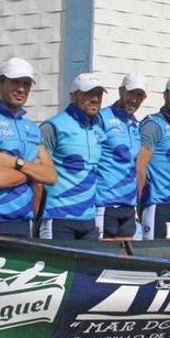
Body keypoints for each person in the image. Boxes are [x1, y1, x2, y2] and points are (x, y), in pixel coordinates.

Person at [0, 58, 56, 238]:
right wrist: (33, 173)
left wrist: (15, 163)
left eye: (26, 84)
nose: (21, 89)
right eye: (15, 82)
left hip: (25, 223)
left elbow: (51, 176)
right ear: (0, 83)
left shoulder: (32, 127)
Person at [38, 73, 106, 240]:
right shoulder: (53, 126)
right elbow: (38, 175)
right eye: (89, 93)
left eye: (98, 94)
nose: (95, 98)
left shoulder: (98, 128)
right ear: (74, 95)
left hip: (89, 220)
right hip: (58, 216)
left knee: (91, 267)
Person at [137, 76, 170, 240]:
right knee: (152, 258)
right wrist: (137, 203)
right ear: (166, 95)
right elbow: (140, 166)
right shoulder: (153, 125)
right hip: (158, 203)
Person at [96, 73, 147, 241]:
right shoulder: (101, 117)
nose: (134, 99)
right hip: (105, 204)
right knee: (103, 259)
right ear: (120, 91)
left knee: (124, 262)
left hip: (128, 205)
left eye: (139, 95)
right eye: (131, 93)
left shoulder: (135, 125)